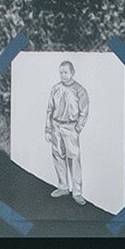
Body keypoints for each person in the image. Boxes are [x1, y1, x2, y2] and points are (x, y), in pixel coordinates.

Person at [47, 60, 90, 202]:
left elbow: (84, 112)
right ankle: (63, 187)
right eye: (61, 72)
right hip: (56, 126)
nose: (63, 75)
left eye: (65, 72)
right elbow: (50, 109)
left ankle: (77, 192)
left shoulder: (80, 90)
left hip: (70, 127)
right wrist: (48, 129)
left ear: (72, 73)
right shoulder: (55, 88)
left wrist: (78, 127)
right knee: (58, 156)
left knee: (74, 159)